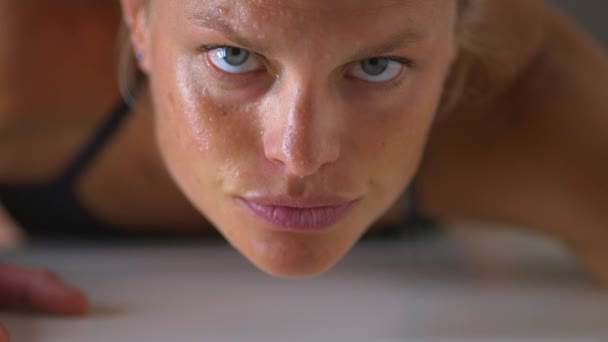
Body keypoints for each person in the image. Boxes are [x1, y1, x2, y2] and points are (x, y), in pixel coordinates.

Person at [1, 0, 607, 338]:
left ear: (452, 43)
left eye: (378, 67)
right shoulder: (21, 37)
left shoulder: (529, 102)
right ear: (139, 19)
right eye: (233, 56)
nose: (301, 151)